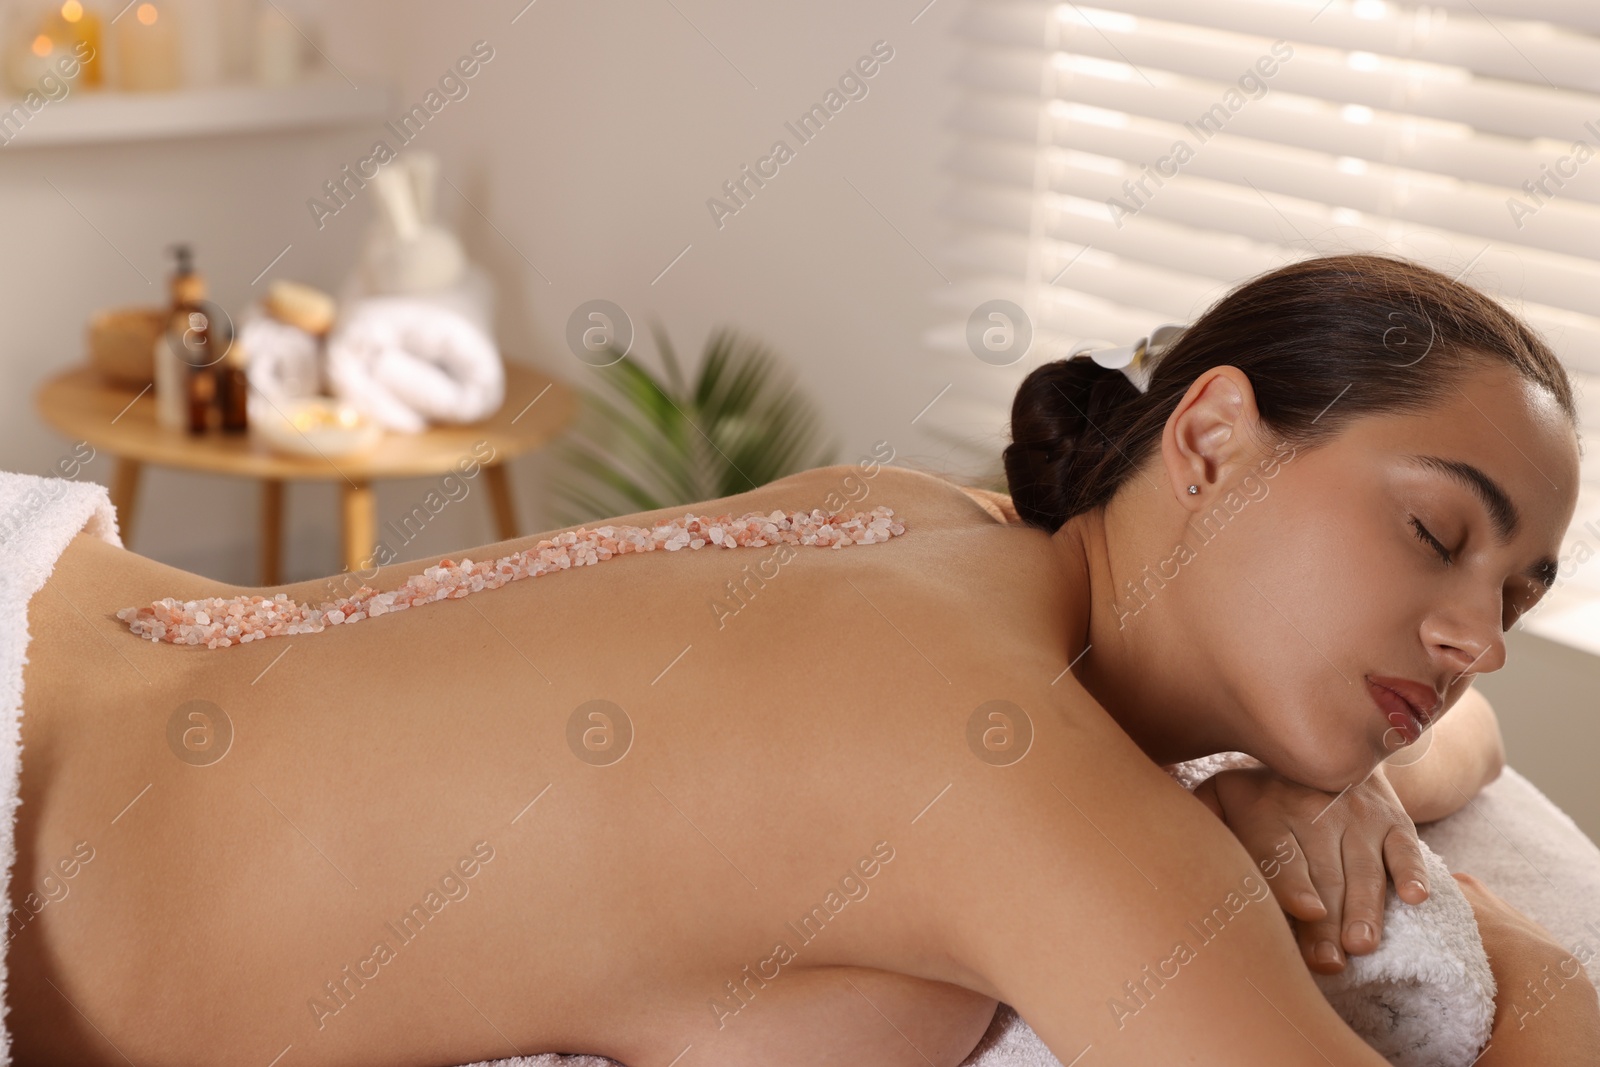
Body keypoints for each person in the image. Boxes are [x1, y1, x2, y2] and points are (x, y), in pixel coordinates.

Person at [10, 251, 1598, 1065]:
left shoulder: (915, 529)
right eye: (1433, 535)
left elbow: (1462, 747)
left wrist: (1331, 779)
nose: (1474, 637)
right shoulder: (1002, 769)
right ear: (1210, 435)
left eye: (1519, 598)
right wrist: (1506, 946)